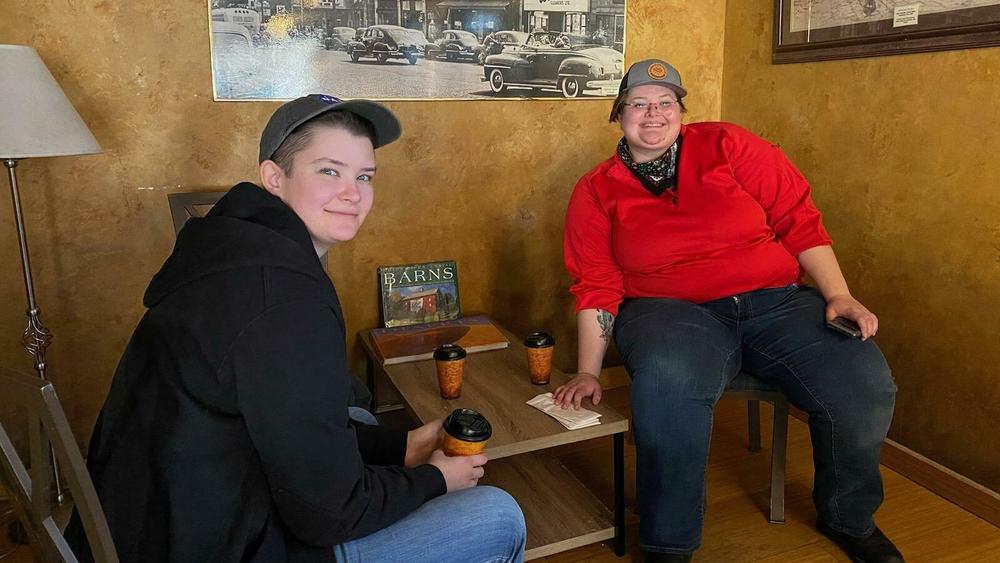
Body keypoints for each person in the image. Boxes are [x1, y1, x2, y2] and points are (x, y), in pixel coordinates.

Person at [67, 94, 526, 563]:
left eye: (364, 176)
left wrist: (401, 445)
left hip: (152, 516)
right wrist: (436, 480)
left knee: (365, 421)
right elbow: (329, 515)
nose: (353, 193)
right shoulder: (282, 302)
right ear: (274, 177)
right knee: (497, 515)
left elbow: (280, 417)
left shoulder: (233, 246)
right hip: (215, 543)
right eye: (329, 170)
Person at [555, 60, 903, 563]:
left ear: (680, 111)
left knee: (864, 381)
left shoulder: (727, 144)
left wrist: (838, 295)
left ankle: (849, 517)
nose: (653, 114)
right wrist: (589, 371)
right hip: (669, 311)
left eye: (665, 103)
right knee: (667, 385)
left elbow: (797, 219)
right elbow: (597, 285)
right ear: (618, 114)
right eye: (638, 104)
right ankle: (668, 545)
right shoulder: (596, 188)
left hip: (776, 301)